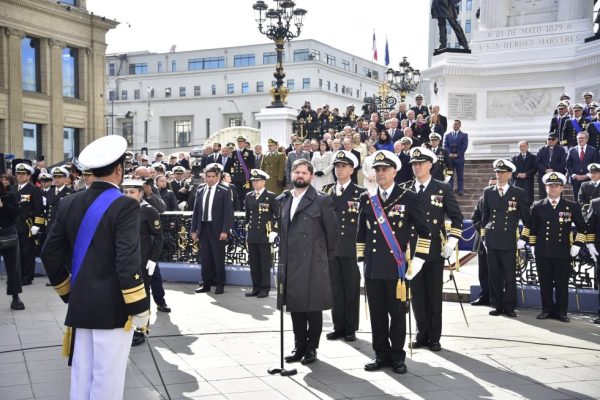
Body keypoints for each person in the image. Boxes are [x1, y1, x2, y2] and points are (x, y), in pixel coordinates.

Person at [41, 135, 150, 400]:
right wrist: (138, 306)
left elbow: (49, 253)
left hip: (80, 303)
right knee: (107, 379)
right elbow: (127, 259)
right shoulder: (125, 205)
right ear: (119, 169)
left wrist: (68, 292)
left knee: (81, 376)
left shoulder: (69, 202)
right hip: (113, 307)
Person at [357, 150, 431, 374]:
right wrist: (361, 261)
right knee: (377, 314)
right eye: (377, 169)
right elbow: (361, 234)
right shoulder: (367, 198)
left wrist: (418, 260)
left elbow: (424, 231)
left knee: (397, 315)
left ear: (394, 171)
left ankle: (398, 356)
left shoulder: (408, 197)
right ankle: (380, 354)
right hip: (373, 268)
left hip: (398, 269)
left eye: (384, 169)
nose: (380, 173)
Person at [280, 159, 337, 365]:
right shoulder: (285, 199)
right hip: (292, 264)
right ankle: (299, 347)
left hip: (314, 263)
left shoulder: (321, 200)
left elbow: (332, 234)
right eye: (297, 172)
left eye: (304, 173)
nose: (300, 176)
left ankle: (312, 348)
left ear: (311, 177)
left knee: (313, 309)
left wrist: (323, 260)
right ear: (292, 175)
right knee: (296, 309)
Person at [406, 147, 463, 352]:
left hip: (434, 252)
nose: (417, 167)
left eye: (421, 163)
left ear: (430, 165)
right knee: (417, 296)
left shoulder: (442, 188)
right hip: (412, 253)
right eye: (414, 164)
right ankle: (421, 334)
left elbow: (457, 217)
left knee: (433, 295)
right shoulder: (405, 189)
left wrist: (453, 240)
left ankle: (434, 337)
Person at [529, 172, 585, 323]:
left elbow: (583, 228)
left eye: (556, 186)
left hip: (562, 251)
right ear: (545, 188)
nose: (553, 189)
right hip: (543, 250)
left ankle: (561, 311)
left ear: (562, 188)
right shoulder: (538, 206)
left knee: (562, 283)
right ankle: (546, 310)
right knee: (545, 282)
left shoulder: (571, 206)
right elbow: (532, 229)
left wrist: (578, 244)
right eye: (550, 186)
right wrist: (532, 246)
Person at [322, 150, 366, 342]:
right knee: (334, 289)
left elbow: (364, 223)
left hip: (351, 248)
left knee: (351, 289)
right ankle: (338, 326)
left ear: (352, 169)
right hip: (331, 248)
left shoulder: (361, 193)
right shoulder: (326, 190)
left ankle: (350, 328)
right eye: (337, 166)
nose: (339, 170)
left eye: (344, 166)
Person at [480, 159, 531, 318]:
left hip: (509, 239)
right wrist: (483, 237)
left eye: (502, 172)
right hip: (492, 238)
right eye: (497, 172)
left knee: (509, 275)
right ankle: (497, 305)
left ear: (510, 174)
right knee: (494, 274)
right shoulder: (488, 191)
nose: (499, 175)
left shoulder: (518, 193)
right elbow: (485, 216)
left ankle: (509, 306)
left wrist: (523, 238)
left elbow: (527, 219)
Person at [121, 179, 166, 345]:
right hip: (125, 260)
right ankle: (126, 325)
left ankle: (140, 330)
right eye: (125, 192)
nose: (128, 195)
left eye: (132, 192)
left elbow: (159, 237)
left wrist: (153, 260)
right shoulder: (121, 209)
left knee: (142, 295)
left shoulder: (148, 210)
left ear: (140, 193)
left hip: (142, 260)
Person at [191, 163, 234, 295]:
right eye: (207, 176)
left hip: (217, 229)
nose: (209, 179)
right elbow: (196, 212)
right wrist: (193, 230)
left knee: (218, 258)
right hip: (203, 227)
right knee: (205, 258)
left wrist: (225, 231)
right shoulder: (200, 190)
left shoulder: (225, 191)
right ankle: (206, 284)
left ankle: (220, 284)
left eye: (212, 176)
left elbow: (228, 213)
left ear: (218, 177)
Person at [244, 169, 279, 298]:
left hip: (265, 235)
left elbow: (278, 216)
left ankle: (264, 288)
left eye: (257, 180)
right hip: (252, 234)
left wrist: (274, 232)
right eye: (253, 181)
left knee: (264, 264)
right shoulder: (249, 196)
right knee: (254, 264)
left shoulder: (271, 196)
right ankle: (256, 287)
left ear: (263, 182)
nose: (254, 183)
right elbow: (248, 216)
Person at [11, 163, 44, 286]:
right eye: (18, 173)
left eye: (22, 174)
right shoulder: (12, 189)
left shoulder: (33, 189)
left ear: (29, 176)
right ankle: (17, 276)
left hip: (27, 226)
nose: (19, 176)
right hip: (14, 225)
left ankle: (27, 277)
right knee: (15, 254)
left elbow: (39, 209)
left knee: (27, 253)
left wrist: (37, 225)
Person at [470, 176, 497, 306]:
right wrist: (483, 229)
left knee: (497, 271)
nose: (492, 187)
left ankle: (496, 298)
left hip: (497, 241)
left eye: (494, 184)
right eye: (490, 184)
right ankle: (484, 296)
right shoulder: (482, 200)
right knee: (483, 271)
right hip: (482, 240)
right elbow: (474, 218)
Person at [0, 182, 25, 310]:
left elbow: (16, 213)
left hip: (8, 233)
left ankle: (16, 298)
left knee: (13, 268)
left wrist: (2, 205)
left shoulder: (9, 196)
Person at [567, 132, 599, 201]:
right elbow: (568, 165)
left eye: (582, 138)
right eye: (579, 138)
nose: (580, 140)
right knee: (577, 199)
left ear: (587, 139)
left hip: (589, 179)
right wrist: (573, 174)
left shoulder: (593, 150)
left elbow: (596, 165)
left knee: (589, 199)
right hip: (576, 180)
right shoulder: (571, 150)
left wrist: (587, 175)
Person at [536, 133, 567, 199]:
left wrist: (553, 170)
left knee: (557, 195)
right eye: (549, 139)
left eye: (552, 139)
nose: (550, 141)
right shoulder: (541, 150)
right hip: (544, 175)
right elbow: (537, 163)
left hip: (557, 176)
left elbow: (563, 163)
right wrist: (545, 170)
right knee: (543, 196)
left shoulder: (561, 150)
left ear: (556, 140)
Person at [444, 120, 468, 196]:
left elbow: (464, 146)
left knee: (460, 175)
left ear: (460, 125)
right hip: (450, 159)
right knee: (449, 175)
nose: (456, 125)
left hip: (459, 159)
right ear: (452, 125)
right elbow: (445, 146)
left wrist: (457, 154)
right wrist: (449, 154)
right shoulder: (448, 135)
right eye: (454, 124)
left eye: (457, 124)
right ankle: (450, 189)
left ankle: (460, 189)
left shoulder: (464, 135)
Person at [230, 136, 255, 208]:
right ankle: (239, 208)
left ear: (244, 143)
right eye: (238, 142)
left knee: (246, 194)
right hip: (236, 178)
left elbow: (252, 166)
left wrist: (250, 176)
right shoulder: (234, 152)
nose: (240, 143)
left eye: (241, 142)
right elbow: (232, 166)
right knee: (238, 194)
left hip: (245, 178)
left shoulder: (249, 152)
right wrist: (232, 174)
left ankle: (246, 208)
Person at [511, 141, 537, 206]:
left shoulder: (533, 157)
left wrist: (526, 174)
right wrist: (517, 174)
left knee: (527, 201)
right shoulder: (514, 158)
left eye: (523, 146)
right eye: (520, 146)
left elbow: (535, 168)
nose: (521, 148)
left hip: (528, 182)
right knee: (516, 201)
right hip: (517, 182)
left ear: (527, 147)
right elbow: (511, 168)